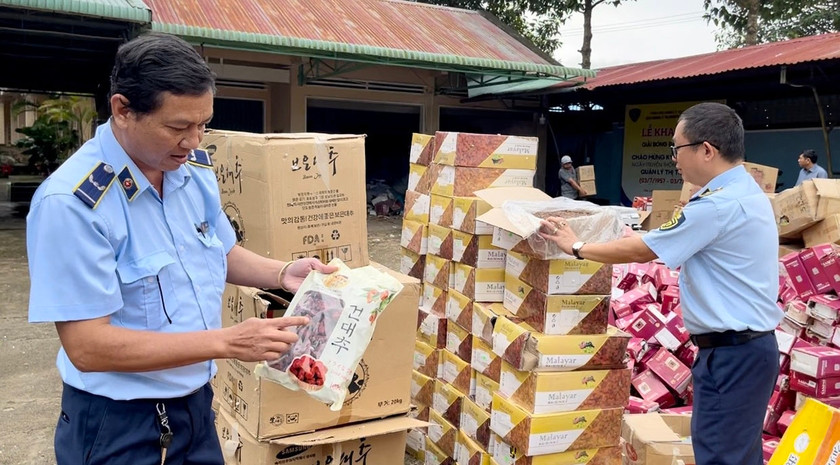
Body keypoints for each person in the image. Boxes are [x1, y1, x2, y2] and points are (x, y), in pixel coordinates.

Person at [26, 32, 337, 465]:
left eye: (203, 124)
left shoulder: (189, 171)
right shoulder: (72, 204)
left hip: (193, 407)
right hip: (117, 424)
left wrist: (282, 273)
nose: (194, 140)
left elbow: (218, 251)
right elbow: (87, 346)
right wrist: (226, 342)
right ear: (122, 110)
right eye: (178, 127)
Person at [540, 102, 781, 465]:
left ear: (706, 150)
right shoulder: (744, 189)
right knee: (738, 455)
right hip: (747, 350)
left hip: (732, 355)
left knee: (720, 456)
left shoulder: (717, 206)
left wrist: (576, 246)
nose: (674, 158)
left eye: (677, 148)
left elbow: (642, 249)